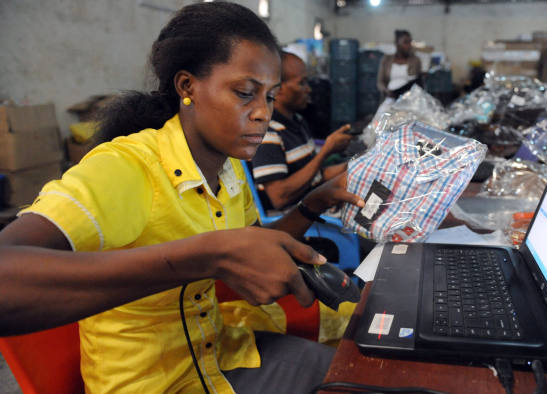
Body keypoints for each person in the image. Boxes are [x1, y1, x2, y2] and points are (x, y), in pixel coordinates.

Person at [0, 3, 364, 394]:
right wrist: (205, 255)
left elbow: (253, 248)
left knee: (362, 370)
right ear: (187, 87)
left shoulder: (228, 170)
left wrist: (315, 203)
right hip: (150, 384)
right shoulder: (126, 169)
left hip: (218, 356)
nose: (263, 113)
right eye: (245, 93)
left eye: (271, 96)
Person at [251, 52, 353, 211]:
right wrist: (325, 151)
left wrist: (358, 165)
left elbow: (314, 176)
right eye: (302, 83)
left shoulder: (297, 121)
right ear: (276, 89)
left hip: (311, 203)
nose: (309, 89)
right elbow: (279, 197)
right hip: (290, 218)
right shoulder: (267, 132)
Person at [375, 29, 423, 116]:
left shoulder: (415, 60)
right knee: (382, 119)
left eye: (410, 42)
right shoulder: (386, 60)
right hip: (391, 98)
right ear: (397, 44)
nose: (409, 45)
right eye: (405, 42)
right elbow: (380, 81)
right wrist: (386, 91)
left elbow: (418, 82)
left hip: (409, 101)